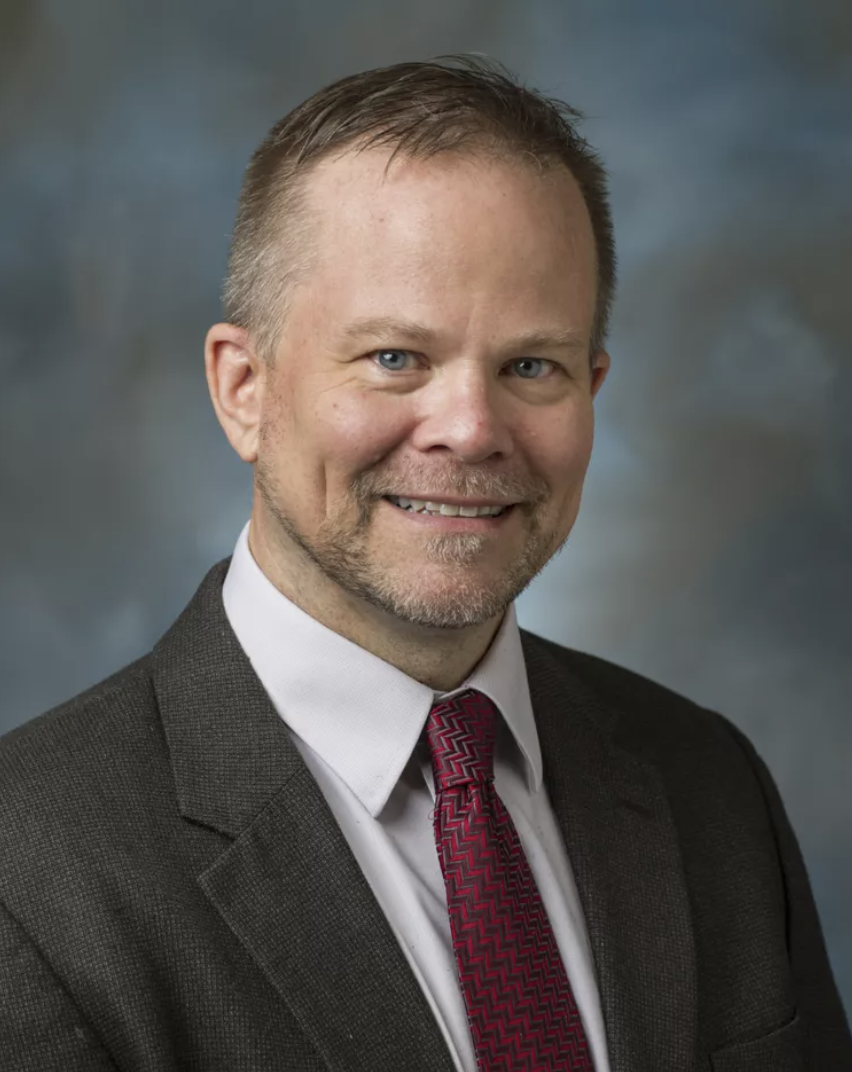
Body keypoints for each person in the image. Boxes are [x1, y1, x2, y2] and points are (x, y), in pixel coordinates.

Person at [0, 56, 849, 1072]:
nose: (470, 428)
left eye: (530, 365)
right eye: (396, 357)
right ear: (244, 390)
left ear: (593, 387)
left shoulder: (710, 784)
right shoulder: (29, 875)